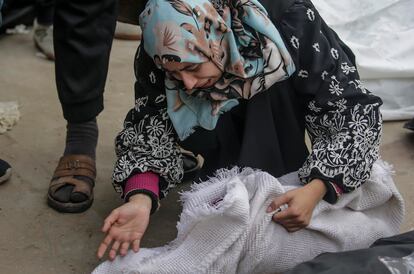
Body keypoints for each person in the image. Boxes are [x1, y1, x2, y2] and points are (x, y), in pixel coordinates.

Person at [97, 0, 383, 261]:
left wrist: (317, 188)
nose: (186, 84)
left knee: (273, 200)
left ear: (218, 35)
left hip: (278, 103)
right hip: (213, 95)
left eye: (193, 68)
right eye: (175, 72)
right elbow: (149, 125)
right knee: (223, 197)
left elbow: (350, 109)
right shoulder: (163, 41)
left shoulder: (289, 21)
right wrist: (141, 200)